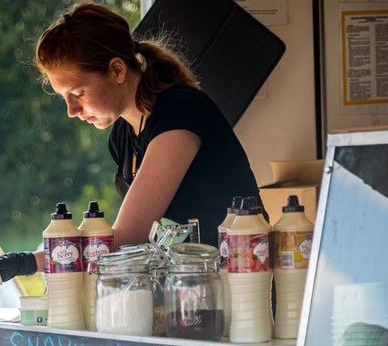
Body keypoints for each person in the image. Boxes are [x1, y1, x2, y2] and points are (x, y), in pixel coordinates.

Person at [37, 2, 260, 250]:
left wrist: (25, 262)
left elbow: (127, 236)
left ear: (117, 70)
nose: (71, 110)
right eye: (64, 98)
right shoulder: (122, 135)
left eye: (78, 93)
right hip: (182, 281)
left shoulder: (180, 110)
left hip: (235, 275)